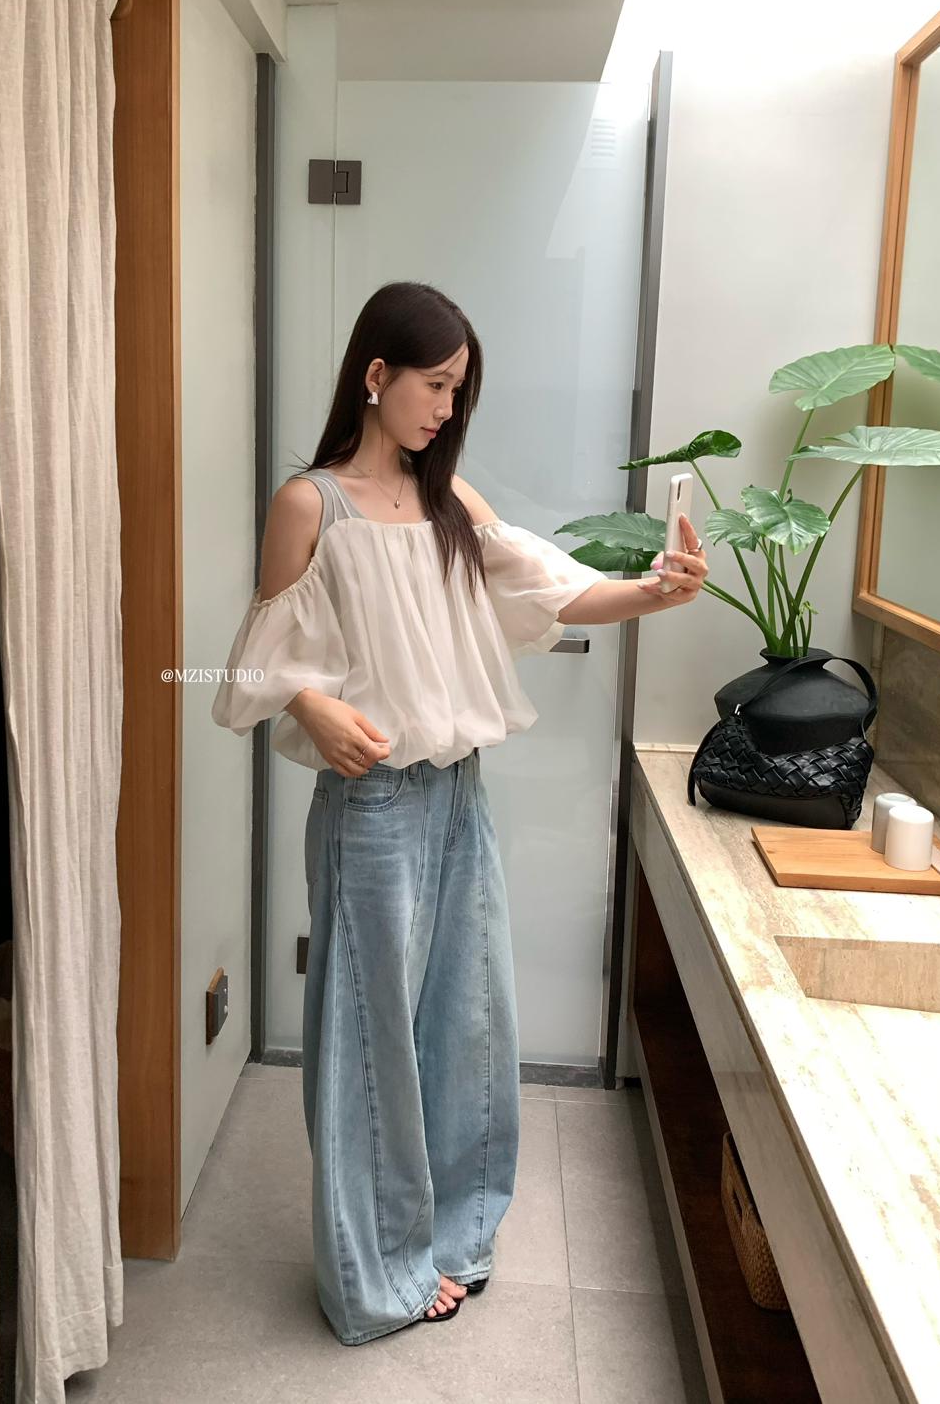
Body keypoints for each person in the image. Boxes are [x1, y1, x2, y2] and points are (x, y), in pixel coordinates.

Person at [211, 281, 707, 1346]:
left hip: (456, 796)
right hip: (372, 805)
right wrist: (312, 704)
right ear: (375, 374)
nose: (446, 408)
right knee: (369, 1041)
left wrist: (656, 591)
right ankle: (376, 1273)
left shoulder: (448, 503)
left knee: (468, 1024)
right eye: (434, 385)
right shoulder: (311, 505)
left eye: (458, 391)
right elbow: (261, 659)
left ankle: (451, 1235)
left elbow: (549, 590)